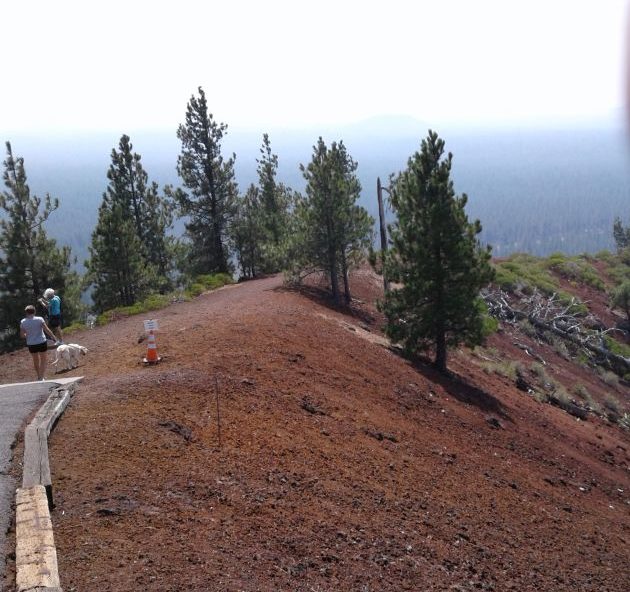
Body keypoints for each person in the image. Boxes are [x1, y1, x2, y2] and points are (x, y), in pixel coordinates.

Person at [20, 305, 57, 381]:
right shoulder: (40, 319)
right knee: (43, 360)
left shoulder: (23, 322)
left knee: (35, 360)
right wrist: (54, 337)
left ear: (26, 313)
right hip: (41, 342)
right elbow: (46, 330)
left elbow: (22, 335)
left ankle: (39, 376)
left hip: (31, 344)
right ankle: (41, 377)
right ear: (34, 311)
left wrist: (28, 335)